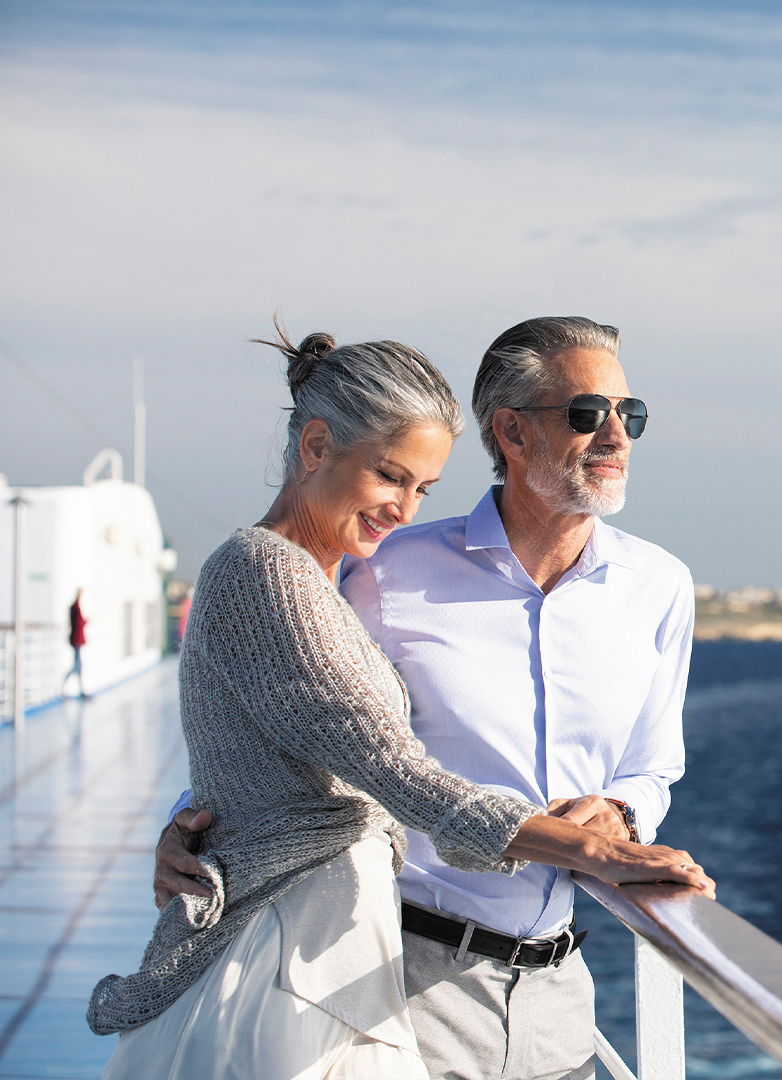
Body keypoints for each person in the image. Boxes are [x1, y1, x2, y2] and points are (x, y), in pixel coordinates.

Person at [101, 327, 713, 1080]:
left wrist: (621, 816)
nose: (616, 433)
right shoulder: (377, 569)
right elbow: (344, 744)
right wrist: (199, 822)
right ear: (512, 431)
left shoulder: (661, 587)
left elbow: (652, 770)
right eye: (588, 412)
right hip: (395, 973)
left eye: (631, 412)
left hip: (560, 993)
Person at [63, 588, 88, 699]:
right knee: (77, 666)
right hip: (76, 640)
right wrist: (85, 621)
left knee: (78, 666)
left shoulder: (75, 606)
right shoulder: (75, 607)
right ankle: (64, 686)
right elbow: (78, 623)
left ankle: (81, 690)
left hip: (76, 640)